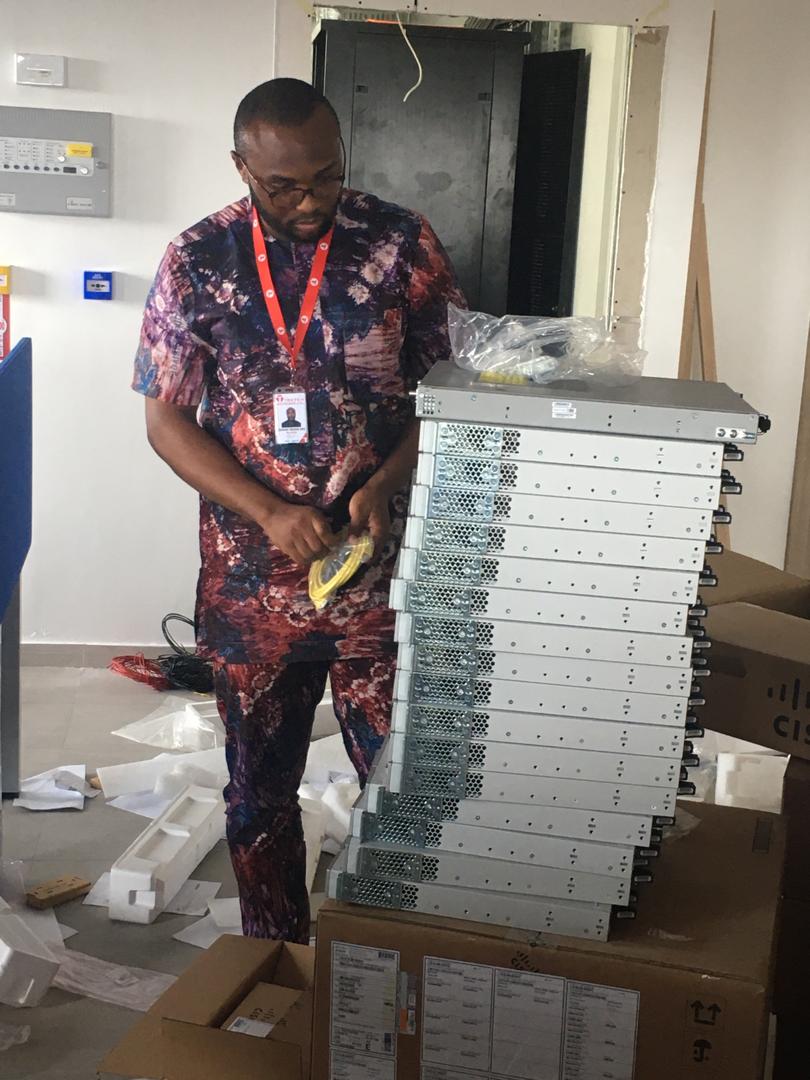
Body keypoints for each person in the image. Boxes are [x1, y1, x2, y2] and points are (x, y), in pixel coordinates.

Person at [134, 78, 464, 942]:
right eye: (284, 186)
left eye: (326, 174)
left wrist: (388, 481)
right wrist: (268, 512)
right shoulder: (197, 261)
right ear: (242, 166)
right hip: (253, 588)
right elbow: (166, 421)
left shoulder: (399, 244)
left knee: (410, 791)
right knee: (259, 799)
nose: (311, 200)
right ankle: (278, 967)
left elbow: (456, 395)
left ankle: (404, 974)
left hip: (382, 574)